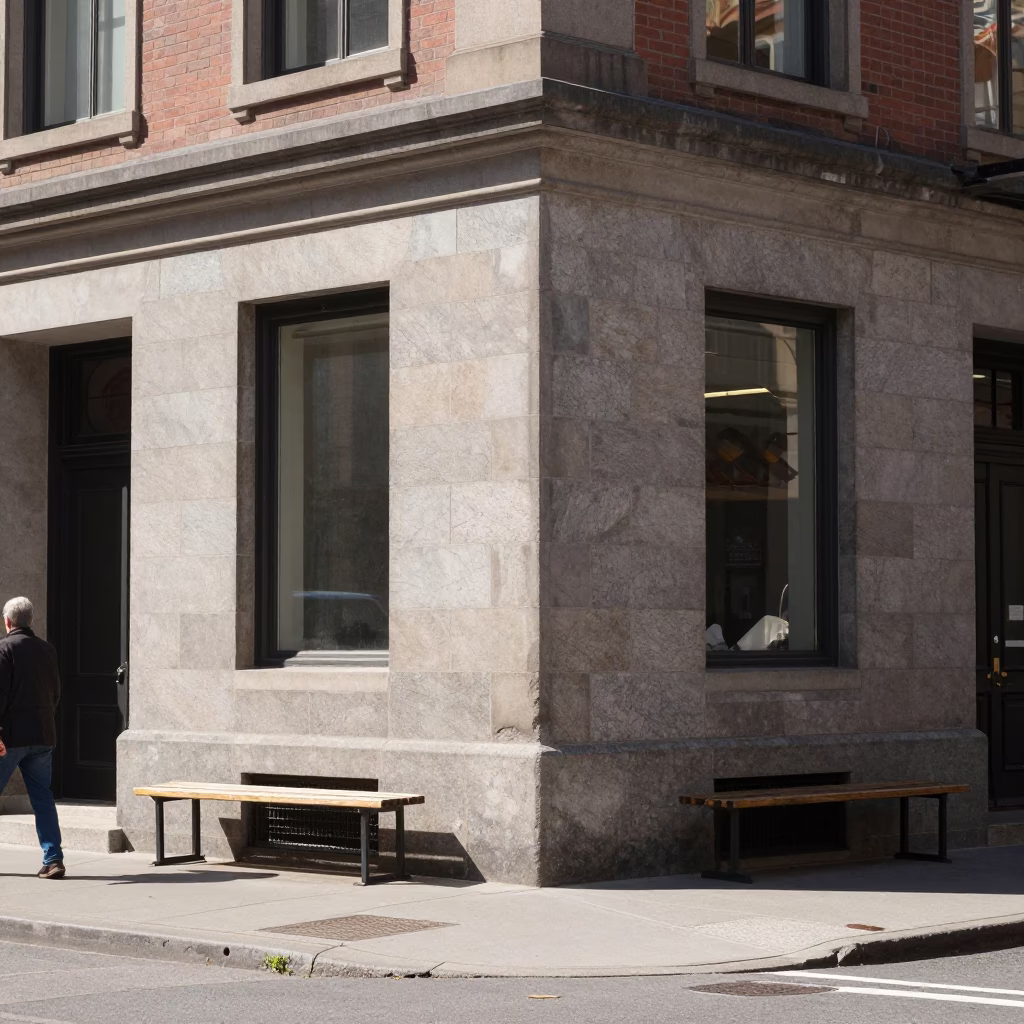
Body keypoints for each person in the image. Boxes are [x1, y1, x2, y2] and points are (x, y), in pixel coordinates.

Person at [0, 597, 64, 878]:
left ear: (8, 622)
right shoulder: (47, 649)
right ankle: (53, 859)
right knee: (42, 798)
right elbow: (55, 694)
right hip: (43, 734)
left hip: (11, 737)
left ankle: (53, 859)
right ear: (31, 620)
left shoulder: (5, 648)